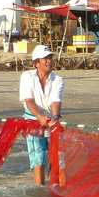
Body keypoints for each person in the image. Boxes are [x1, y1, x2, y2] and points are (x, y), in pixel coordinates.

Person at [18, 44, 64, 185]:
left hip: (51, 121)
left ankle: (62, 191)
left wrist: (55, 118)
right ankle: (40, 193)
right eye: (45, 58)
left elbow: (56, 101)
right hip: (33, 121)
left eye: (50, 58)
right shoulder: (27, 77)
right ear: (36, 63)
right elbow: (29, 101)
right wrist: (39, 117)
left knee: (60, 158)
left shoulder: (58, 80)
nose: (49, 61)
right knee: (39, 159)